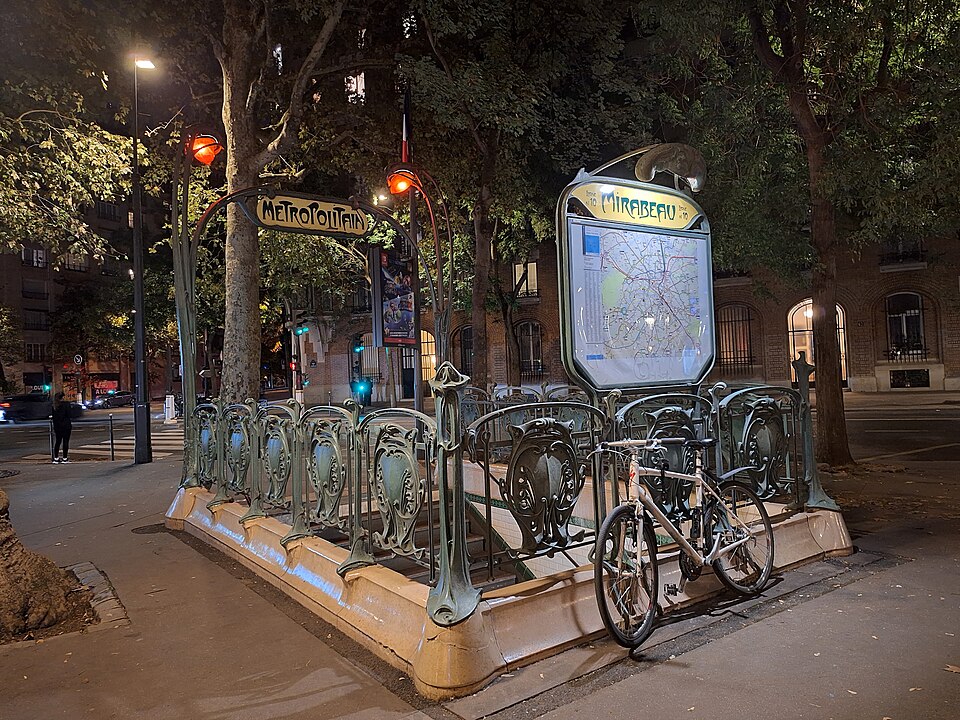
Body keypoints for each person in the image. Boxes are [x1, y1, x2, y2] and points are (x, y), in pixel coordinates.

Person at [52, 392, 72, 463]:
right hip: (66, 425)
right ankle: (65, 458)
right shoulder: (66, 404)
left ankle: (56, 458)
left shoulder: (54, 406)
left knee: (58, 441)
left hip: (57, 426)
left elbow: (54, 417)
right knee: (65, 441)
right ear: (62, 397)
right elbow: (69, 414)